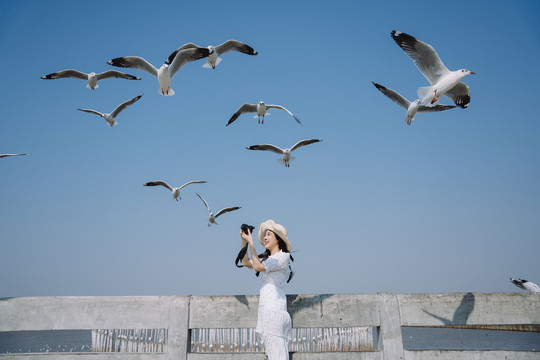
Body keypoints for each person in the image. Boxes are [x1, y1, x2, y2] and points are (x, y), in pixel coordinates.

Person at [240, 219, 294, 360]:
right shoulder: (268, 259)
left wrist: (252, 243)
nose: (265, 237)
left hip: (274, 309)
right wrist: (244, 242)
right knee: (274, 353)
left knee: (278, 354)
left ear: (278, 238)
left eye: (269, 234)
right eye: (264, 234)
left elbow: (257, 267)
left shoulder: (282, 257)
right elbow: (245, 262)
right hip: (267, 309)